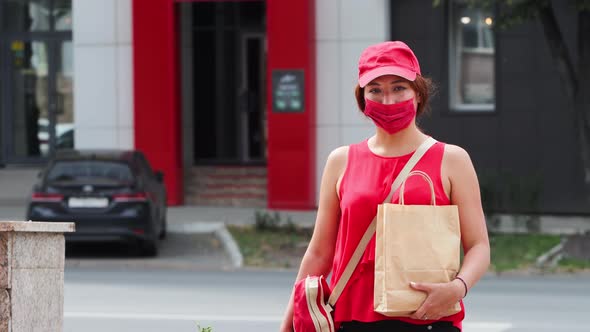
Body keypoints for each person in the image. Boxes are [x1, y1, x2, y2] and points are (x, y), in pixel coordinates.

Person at [279, 41, 490, 332]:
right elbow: (319, 253)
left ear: (418, 93)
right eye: (375, 90)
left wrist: (458, 288)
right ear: (363, 99)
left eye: (398, 87)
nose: (388, 100)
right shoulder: (341, 161)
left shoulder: (452, 160)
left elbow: (479, 245)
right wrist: (288, 323)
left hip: (428, 318)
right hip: (351, 319)